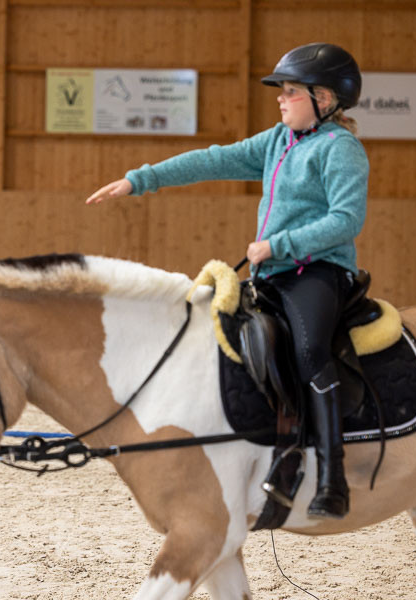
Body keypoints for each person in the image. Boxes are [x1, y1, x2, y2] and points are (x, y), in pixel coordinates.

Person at [86, 43, 367, 520]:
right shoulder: (279, 141)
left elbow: (346, 219)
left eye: (291, 91)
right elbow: (213, 160)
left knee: (308, 352)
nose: (281, 99)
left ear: (324, 98)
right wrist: (142, 180)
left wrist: (280, 245)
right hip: (271, 275)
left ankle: (333, 479)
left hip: (318, 271)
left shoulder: (341, 150)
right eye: (281, 91)